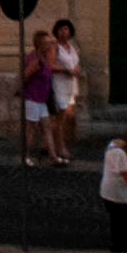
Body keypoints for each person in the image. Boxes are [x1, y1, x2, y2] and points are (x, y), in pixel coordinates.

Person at [97, 131, 127, 249]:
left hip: (107, 190)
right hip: (118, 193)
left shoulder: (113, 146)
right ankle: (120, 245)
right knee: (122, 220)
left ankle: (117, 243)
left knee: (115, 220)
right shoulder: (121, 154)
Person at [47, 18, 86, 162]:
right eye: (61, 29)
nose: (63, 32)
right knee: (59, 119)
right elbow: (50, 65)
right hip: (59, 85)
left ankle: (53, 144)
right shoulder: (54, 46)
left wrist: (76, 69)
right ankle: (60, 147)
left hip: (71, 85)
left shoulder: (72, 46)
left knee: (65, 118)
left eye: (66, 29)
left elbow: (76, 63)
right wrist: (66, 70)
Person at [17, 40, 57, 166]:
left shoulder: (44, 59)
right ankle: (25, 156)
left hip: (41, 100)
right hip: (33, 99)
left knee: (46, 127)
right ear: (40, 44)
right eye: (48, 42)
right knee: (31, 129)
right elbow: (25, 76)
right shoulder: (35, 60)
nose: (50, 45)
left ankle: (53, 156)